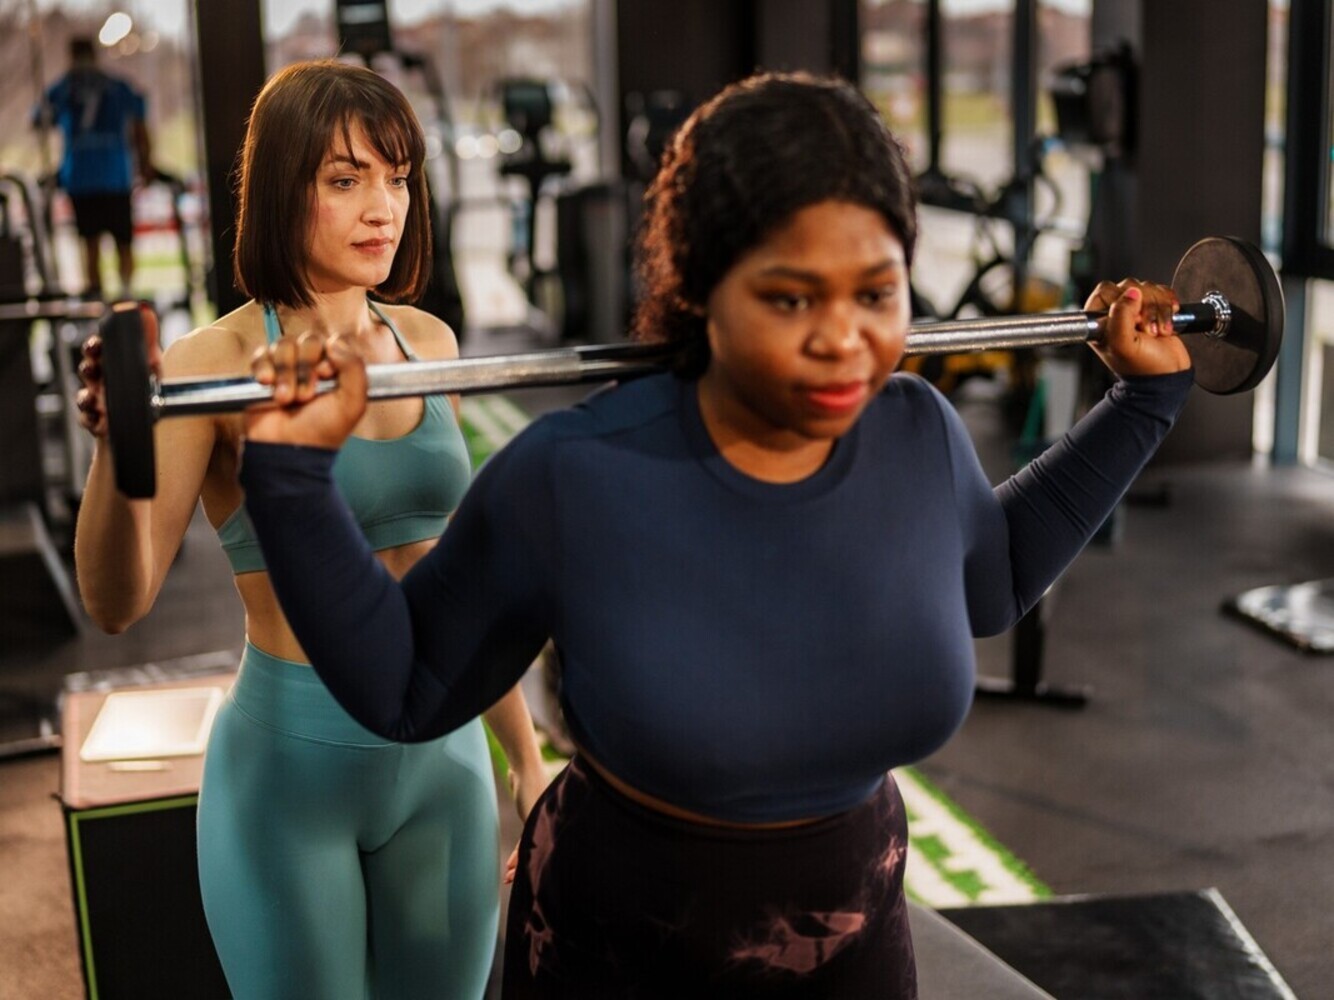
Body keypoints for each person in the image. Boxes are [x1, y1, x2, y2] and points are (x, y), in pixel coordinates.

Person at [237, 71, 1194, 998]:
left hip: (853, 942)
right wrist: (291, 476)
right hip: (619, 956)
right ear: (701, 288)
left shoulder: (915, 431)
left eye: (876, 292)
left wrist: (1143, 402)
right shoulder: (576, 474)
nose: (843, 339)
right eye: (791, 298)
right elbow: (407, 686)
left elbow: (997, 578)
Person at [72, 59, 550, 999]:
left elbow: (456, 585)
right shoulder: (212, 361)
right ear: (283, 190)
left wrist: (529, 762)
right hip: (292, 768)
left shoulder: (429, 344)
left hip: (446, 756)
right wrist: (114, 446)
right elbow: (117, 603)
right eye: (345, 180)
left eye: (397, 178)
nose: (383, 208)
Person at [33, 37, 153, 299]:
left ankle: (102, 293)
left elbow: (38, 119)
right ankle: (123, 292)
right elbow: (140, 123)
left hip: (84, 178)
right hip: (112, 176)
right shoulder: (115, 86)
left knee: (91, 240)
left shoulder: (65, 88)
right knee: (119, 240)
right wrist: (145, 161)